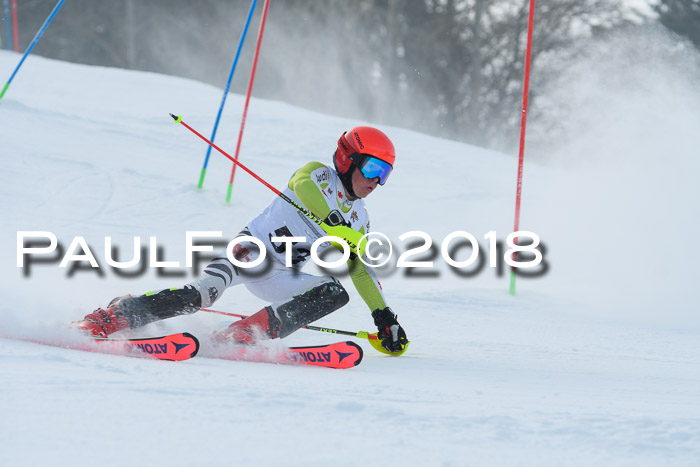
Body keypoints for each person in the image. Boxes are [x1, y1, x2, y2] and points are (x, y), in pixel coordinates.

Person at [74, 126, 409, 354]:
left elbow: (360, 270)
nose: (376, 181)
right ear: (347, 159)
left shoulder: (359, 218)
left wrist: (385, 318)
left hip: (282, 275)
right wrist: (333, 223)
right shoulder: (318, 176)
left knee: (334, 292)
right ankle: (114, 316)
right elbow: (302, 183)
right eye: (372, 169)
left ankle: (246, 334)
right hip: (251, 253)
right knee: (201, 295)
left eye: (385, 174)